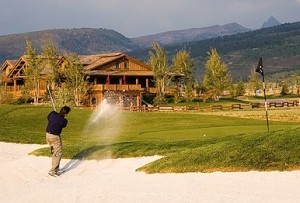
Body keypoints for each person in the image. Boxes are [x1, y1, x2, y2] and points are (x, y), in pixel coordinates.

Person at [46, 106, 71, 176]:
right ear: (66, 114)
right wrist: (60, 118)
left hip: (47, 135)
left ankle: (56, 168)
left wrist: (55, 116)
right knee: (58, 153)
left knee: (54, 152)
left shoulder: (52, 113)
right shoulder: (64, 121)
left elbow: (48, 118)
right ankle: (53, 171)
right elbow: (64, 125)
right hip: (55, 137)